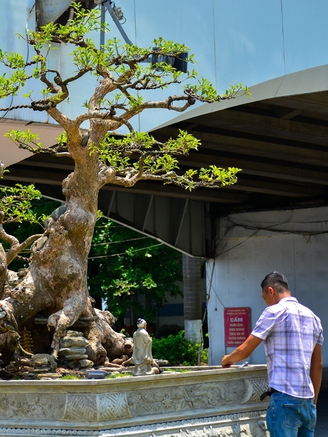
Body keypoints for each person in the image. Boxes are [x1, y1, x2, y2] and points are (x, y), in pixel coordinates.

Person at [221, 271, 324, 437]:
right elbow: (318, 365)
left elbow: (245, 350)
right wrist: (313, 401)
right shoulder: (313, 318)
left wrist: (228, 359)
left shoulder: (274, 312)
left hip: (284, 398)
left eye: (264, 298)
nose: (266, 303)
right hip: (308, 401)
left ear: (271, 291)